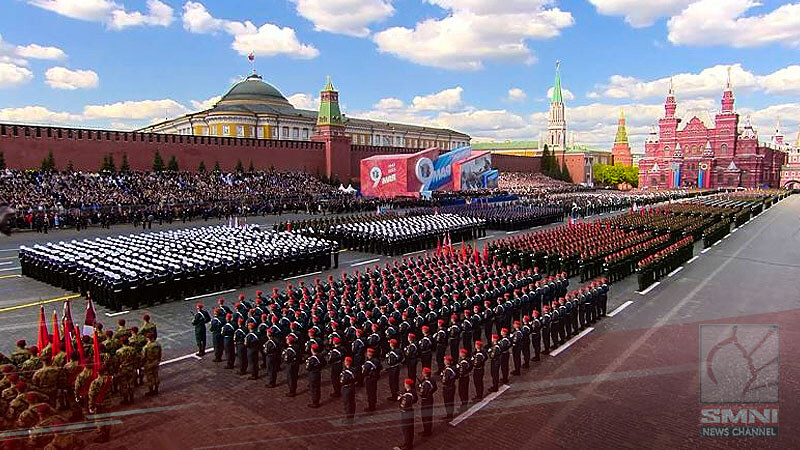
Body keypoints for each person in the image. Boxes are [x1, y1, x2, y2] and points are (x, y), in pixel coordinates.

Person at [88, 364, 113, 443]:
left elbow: (91, 395)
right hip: (108, 403)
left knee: (99, 420)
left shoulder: (94, 383)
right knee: (107, 418)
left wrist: (91, 406)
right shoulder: (109, 379)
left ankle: (102, 436)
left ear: (98, 372)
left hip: (99, 404)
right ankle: (107, 434)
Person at [115, 336, 139, 404]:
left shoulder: (118, 351)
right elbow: (137, 357)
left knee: (123, 384)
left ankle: (125, 399)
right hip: (131, 368)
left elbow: (117, 362)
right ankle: (131, 398)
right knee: (131, 384)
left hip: (123, 369)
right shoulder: (133, 349)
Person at [398, 378, 418, 450]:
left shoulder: (407, 396)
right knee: (410, 429)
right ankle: (408, 443)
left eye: (405, 383)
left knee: (406, 429)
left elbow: (403, 405)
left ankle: (408, 445)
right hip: (410, 411)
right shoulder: (413, 392)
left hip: (406, 413)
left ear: (407, 385)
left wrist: (400, 398)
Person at [417, 366, 437, 437]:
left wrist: (419, 388)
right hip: (429, 398)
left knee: (426, 416)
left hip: (426, 400)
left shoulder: (426, 383)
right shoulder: (431, 380)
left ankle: (427, 431)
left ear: (425, 374)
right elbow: (435, 388)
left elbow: (422, 393)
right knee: (427, 415)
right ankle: (427, 429)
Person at [362, 347, 381, 412]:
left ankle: (371, 406)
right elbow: (380, 367)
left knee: (370, 393)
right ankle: (373, 404)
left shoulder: (368, 362)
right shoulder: (376, 360)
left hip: (370, 378)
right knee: (373, 392)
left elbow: (365, 372)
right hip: (375, 378)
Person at [305, 344, 324, 408]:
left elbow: (308, 367)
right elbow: (324, 363)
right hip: (318, 372)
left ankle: (315, 402)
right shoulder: (320, 356)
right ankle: (317, 400)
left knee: (313, 388)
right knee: (317, 388)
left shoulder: (312, 359)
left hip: (313, 374)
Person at [340, 357, 357, 424]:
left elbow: (342, 381)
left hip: (346, 388)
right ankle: (351, 417)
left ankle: (349, 419)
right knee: (352, 402)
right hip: (352, 387)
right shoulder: (354, 370)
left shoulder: (345, 372)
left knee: (347, 403)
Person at [441, 355, 457, 420]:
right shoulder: (452, 368)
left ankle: (449, 415)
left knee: (448, 402)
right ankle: (449, 414)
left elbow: (445, 380)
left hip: (448, 387)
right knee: (449, 401)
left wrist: (442, 379)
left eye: (445, 360)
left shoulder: (448, 370)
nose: (444, 361)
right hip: (451, 386)